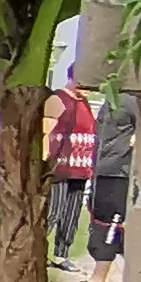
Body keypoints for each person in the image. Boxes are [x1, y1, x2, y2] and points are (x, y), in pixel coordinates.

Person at [84, 88, 136, 282]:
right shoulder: (111, 99)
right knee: (99, 218)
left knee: (111, 222)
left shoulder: (132, 99)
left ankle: (99, 279)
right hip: (101, 170)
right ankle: (101, 275)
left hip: (120, 172)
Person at [44, 89, 97, 269]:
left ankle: (62, 254)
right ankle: (36, 249)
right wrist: (46, 155)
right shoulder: (59, 98)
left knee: (71, 214)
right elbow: (47, 129)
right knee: (53, 211)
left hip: (81, 166)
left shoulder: (83, 103)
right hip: (61, 165)